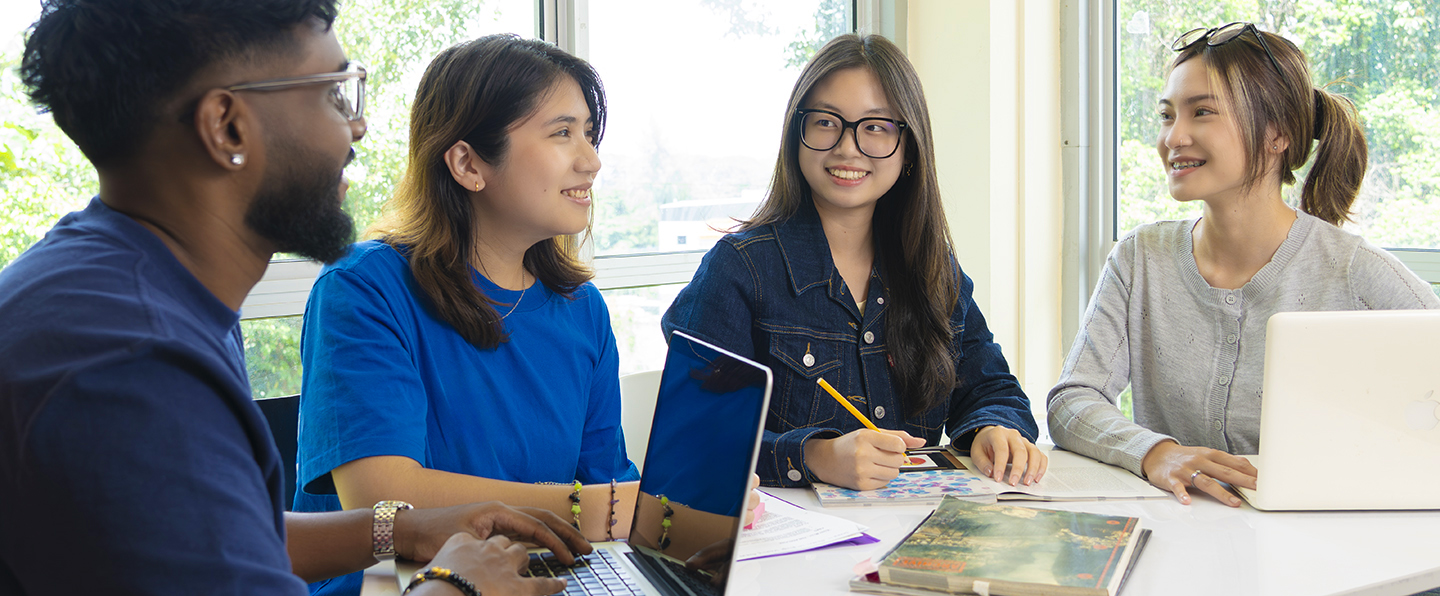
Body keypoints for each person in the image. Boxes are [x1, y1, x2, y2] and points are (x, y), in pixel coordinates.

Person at [0, 2, 590, 595]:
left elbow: (220, 536)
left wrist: (404, 529)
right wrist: (458, 585)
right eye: (333, 94)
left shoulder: (128, 288)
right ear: (227, 127)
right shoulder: (129, 364)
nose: (357, 127)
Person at [291, 34, 640, 596]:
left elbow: (612, 490)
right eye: (562, 133)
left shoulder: (583, 309)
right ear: (467, 163)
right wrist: (603, 509)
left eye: (589, 133)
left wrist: (680, 517)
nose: (591, 161)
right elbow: (382, 499)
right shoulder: (362, 288)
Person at [1047, 22, 1440, 508]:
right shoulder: (1138, 256)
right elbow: (1072, 401)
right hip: (1179, 527)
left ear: (1278, 134)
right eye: (1167, 115)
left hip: (1319, 536)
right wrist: (1154, 452)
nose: (1174, 136)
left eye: (1202, 112)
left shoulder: (1356, 271)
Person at [661, 34, 1046, 492]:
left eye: (876, 127)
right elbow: (695, 436)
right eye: (826, 122)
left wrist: (993, 428)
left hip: (920, 527)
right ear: (796, 134)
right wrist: (815, 456)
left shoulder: (932, 270)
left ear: (908, 147)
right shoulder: (740, 269)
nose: (848, 148)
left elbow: (993, 389)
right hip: (789, 534)